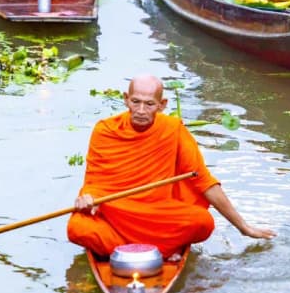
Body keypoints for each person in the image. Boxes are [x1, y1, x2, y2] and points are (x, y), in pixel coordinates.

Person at [67, 74, 276, 259]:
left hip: (158, 216)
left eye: (149, 104)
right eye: (135, 102)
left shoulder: (172, 130)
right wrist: (88, 198)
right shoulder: (105, 131)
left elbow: (203, 181)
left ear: (162, 104)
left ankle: (124, 251)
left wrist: (244, 227)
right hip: (117, 214)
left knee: (203, 222)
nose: (141, 110)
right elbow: (94, 182)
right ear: (126, 100)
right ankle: (159, 251)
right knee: (77, 228)